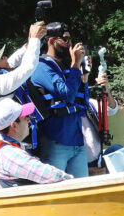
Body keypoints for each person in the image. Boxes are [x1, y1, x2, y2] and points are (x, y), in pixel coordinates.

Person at [28, 22, 89, 178]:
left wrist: (82, 73)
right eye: (65, 40)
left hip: (77, 141)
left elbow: (84, 100)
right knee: (56, 188)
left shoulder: (68, 67)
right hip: (55, 141)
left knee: (81, 189)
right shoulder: (41, 66)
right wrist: (75, 63)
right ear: (51, 41)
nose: (70, 44)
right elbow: (66, 94)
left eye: (70, 39)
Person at [0, 22, 46, 143]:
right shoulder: (0, 82)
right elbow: (27, 68)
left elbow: (13, 61)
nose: (5, 57)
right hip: (12, 138)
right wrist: (34, 41)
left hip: (9, 135)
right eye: (1, 57)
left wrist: (30, 42)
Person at [0, 98, 72, 188]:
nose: (29, 120)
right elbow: (48, 174)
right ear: (14, 125)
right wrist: (71, 180)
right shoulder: (8, 153)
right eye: (25, 117)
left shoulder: (1, 145)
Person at [80, 63, 121, 174]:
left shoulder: (91, 104)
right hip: (82, 166)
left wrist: (106, 90)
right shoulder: (67, 110)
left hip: (98, 160)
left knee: (117, 149)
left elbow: (112, 109)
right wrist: (87, 172)